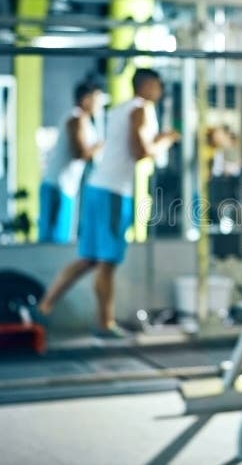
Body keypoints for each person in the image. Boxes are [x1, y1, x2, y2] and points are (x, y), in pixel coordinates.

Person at [37, 69, 180, 337]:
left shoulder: (119, 109)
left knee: (89, 258)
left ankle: (45, 306)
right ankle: (104, 324)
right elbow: (140, 152)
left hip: (97, 187)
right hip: (114, 191)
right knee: (107, 261)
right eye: (157, 86)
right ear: (146, 85)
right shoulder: (140, 109)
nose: (159, 92)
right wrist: (166, 140)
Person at [38, 81, 104, 243]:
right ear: (86, 99)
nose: (99, 105)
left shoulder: (86, 121)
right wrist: (100, 146)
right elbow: (79, 153)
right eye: (97, 99)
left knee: (63, 237)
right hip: (57, 186)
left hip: (66, 187)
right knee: (54, 240)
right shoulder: (76, 119)